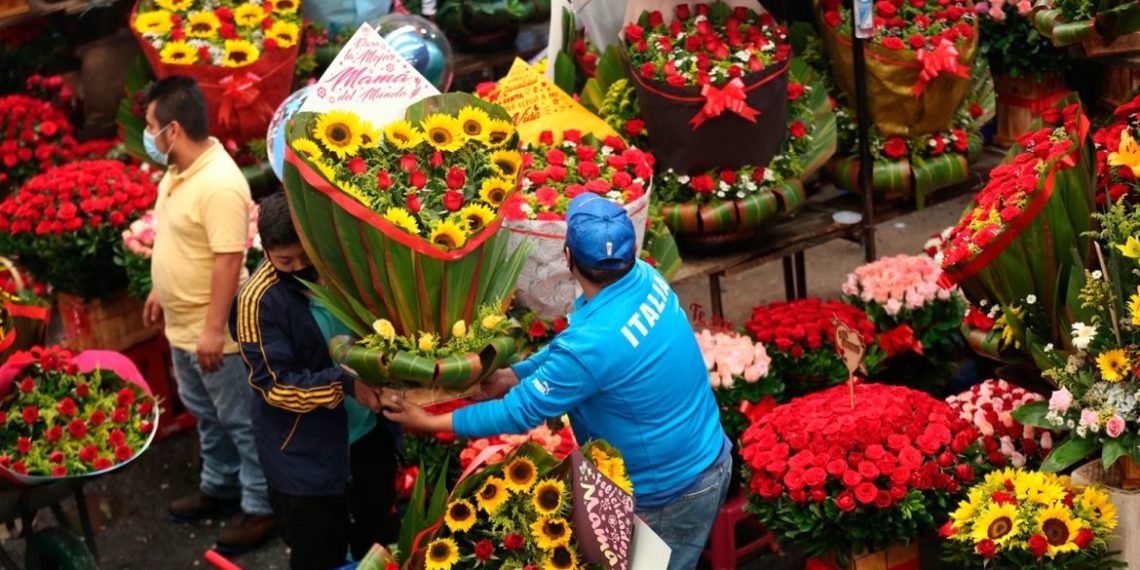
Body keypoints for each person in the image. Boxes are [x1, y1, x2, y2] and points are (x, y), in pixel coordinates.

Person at [383, 194, 731, 570]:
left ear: (568, 257)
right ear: (630, 254)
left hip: (669, 493)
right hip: (705, 457)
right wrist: (514, 374)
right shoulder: (645, 279)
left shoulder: (592, 345)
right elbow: (575, 349)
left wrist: (429, 420)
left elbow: (518, 412)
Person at [231, 192, 400, 569]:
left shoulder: (343, 264)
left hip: (368, 437)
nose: (298, 267)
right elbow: (275, 386)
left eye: (305, 256)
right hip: (304, 456)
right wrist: (346, 385)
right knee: (318, 553)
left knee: (380, 546)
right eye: (284, 261)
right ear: (265, 251)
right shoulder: (258, 300)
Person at [140, 75, 273, 552]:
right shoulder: (178, 172)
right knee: (206, 414)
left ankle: (261, 506)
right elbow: (177, 238)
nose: (148, 135)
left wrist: (215, 330)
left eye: (150, 126)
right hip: (182, 326)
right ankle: (220, 484)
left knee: (241, 420)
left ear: (172, 129)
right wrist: (159, 290)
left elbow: (228, 260)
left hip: (215, 333)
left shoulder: (219, 183)